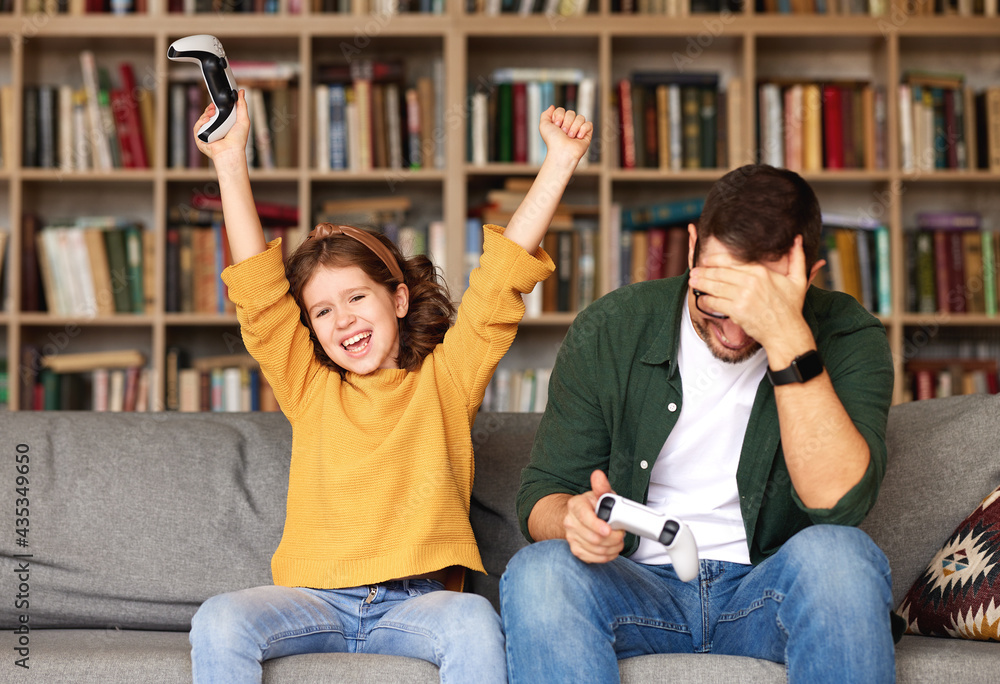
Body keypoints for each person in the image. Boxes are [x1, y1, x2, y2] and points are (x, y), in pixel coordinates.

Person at [187, 89, 592, 683]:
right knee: (219, 619)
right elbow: (258, 293)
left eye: (356, 298)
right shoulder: (306, 385)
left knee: (477, 622)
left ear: (398, 299)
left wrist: (559, 161)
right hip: (315, 599)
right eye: (321, 312)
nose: (342, 318)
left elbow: (500, 283)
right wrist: (228, 158)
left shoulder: (445, 382)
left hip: (418, 603)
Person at [500, 164, 896, 683]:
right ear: (692, 247)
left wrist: (786, 338)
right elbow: (543, 497)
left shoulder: (847, 334)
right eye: (716, 292)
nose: (733, 331)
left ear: (808, 276)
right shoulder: (612, 326)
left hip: (765, 591)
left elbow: (838, 502)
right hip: (638, 586)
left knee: (840, 556)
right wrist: (571, 518)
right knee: (541, 571)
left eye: (758, 302)